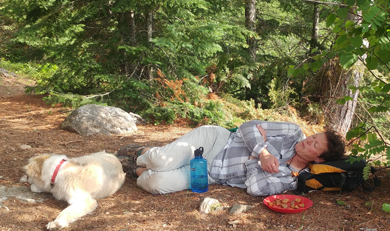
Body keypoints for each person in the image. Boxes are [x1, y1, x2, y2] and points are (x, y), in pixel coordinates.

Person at [116, 120, 345, 196]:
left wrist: (259, 157)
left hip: (211, 174)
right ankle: (141, 152)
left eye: (315, 144)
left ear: (320, 159)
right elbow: (247, 126)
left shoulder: (293, 178)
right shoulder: (293, 131)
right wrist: (263, 152)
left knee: (154, 183)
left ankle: (127, 168)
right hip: (217, 140)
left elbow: (255, 188)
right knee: (160, 161)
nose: (308, 140)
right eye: (313, 135)